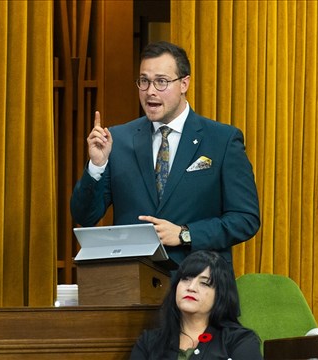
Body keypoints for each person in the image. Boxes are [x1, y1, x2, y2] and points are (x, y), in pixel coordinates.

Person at [70, 41, 260, 267]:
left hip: (199, 286)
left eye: (161, 82)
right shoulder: (118, 140)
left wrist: (184, 234)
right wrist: (97, 166)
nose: (150, 91)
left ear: (184, 84)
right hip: (132, 287)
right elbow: (84, 216)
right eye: (144, 81)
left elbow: (245, 219)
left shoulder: (222, 140)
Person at [129, 250, 263, 359]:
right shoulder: (149, 342)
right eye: (186, 279)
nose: (191, 287)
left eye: (204, 283)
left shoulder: (239, 340)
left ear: (220, 295)